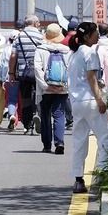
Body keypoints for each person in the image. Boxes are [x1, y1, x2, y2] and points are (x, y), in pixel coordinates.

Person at [67, 22, 108, 197]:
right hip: (90, 101)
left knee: (79, 141)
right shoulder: (90, 52)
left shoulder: (74, 54)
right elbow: (91, 78)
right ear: (87, 36)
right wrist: (100, 100)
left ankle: (78, 179)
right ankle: (102, 176)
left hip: (76, 102)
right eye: (95, 33)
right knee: (106, 137)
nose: (98, 36)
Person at [33, 23, 70, 154]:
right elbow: (70, 70)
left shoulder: (40, 49)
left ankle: (47, 144)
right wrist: (66, 86)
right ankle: (59, 142)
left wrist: (45, 86)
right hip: (62, 88)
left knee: (45, 115)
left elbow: (37, 69)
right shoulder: (67, 51)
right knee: (59, 115)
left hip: (45, 90)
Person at [8, 15, 44, 135]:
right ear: (35, 23)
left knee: (25, 98)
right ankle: (38, 115)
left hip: (23, 72)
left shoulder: (19, 37)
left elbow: (13, 56)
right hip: (38, 72)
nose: (39, 24)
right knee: (39, 96)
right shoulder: (40, 36)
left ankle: (27, 124)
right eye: (38, 22)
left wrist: (11, 73)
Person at [0, 30, 20, 130]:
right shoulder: (21, 47)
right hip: (22, 76)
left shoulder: (6, 49)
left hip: (10, 77)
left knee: (11, 99)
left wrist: (3, 78)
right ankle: (25, 122)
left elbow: (3, 65)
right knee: (23, 100)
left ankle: (11, 115)